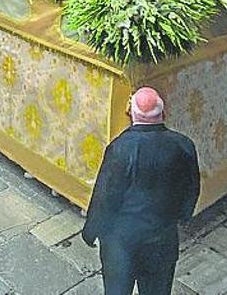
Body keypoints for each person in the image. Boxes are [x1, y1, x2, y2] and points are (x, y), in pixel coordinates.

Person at [81, 87, 201, 295]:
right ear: (163, 114)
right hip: (162, 240)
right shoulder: (183, 145)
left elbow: (105, 197)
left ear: (131, 114)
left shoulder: (120, 148)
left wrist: (91, 231)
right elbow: (192, 187)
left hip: (121, 245)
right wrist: (183, 215)